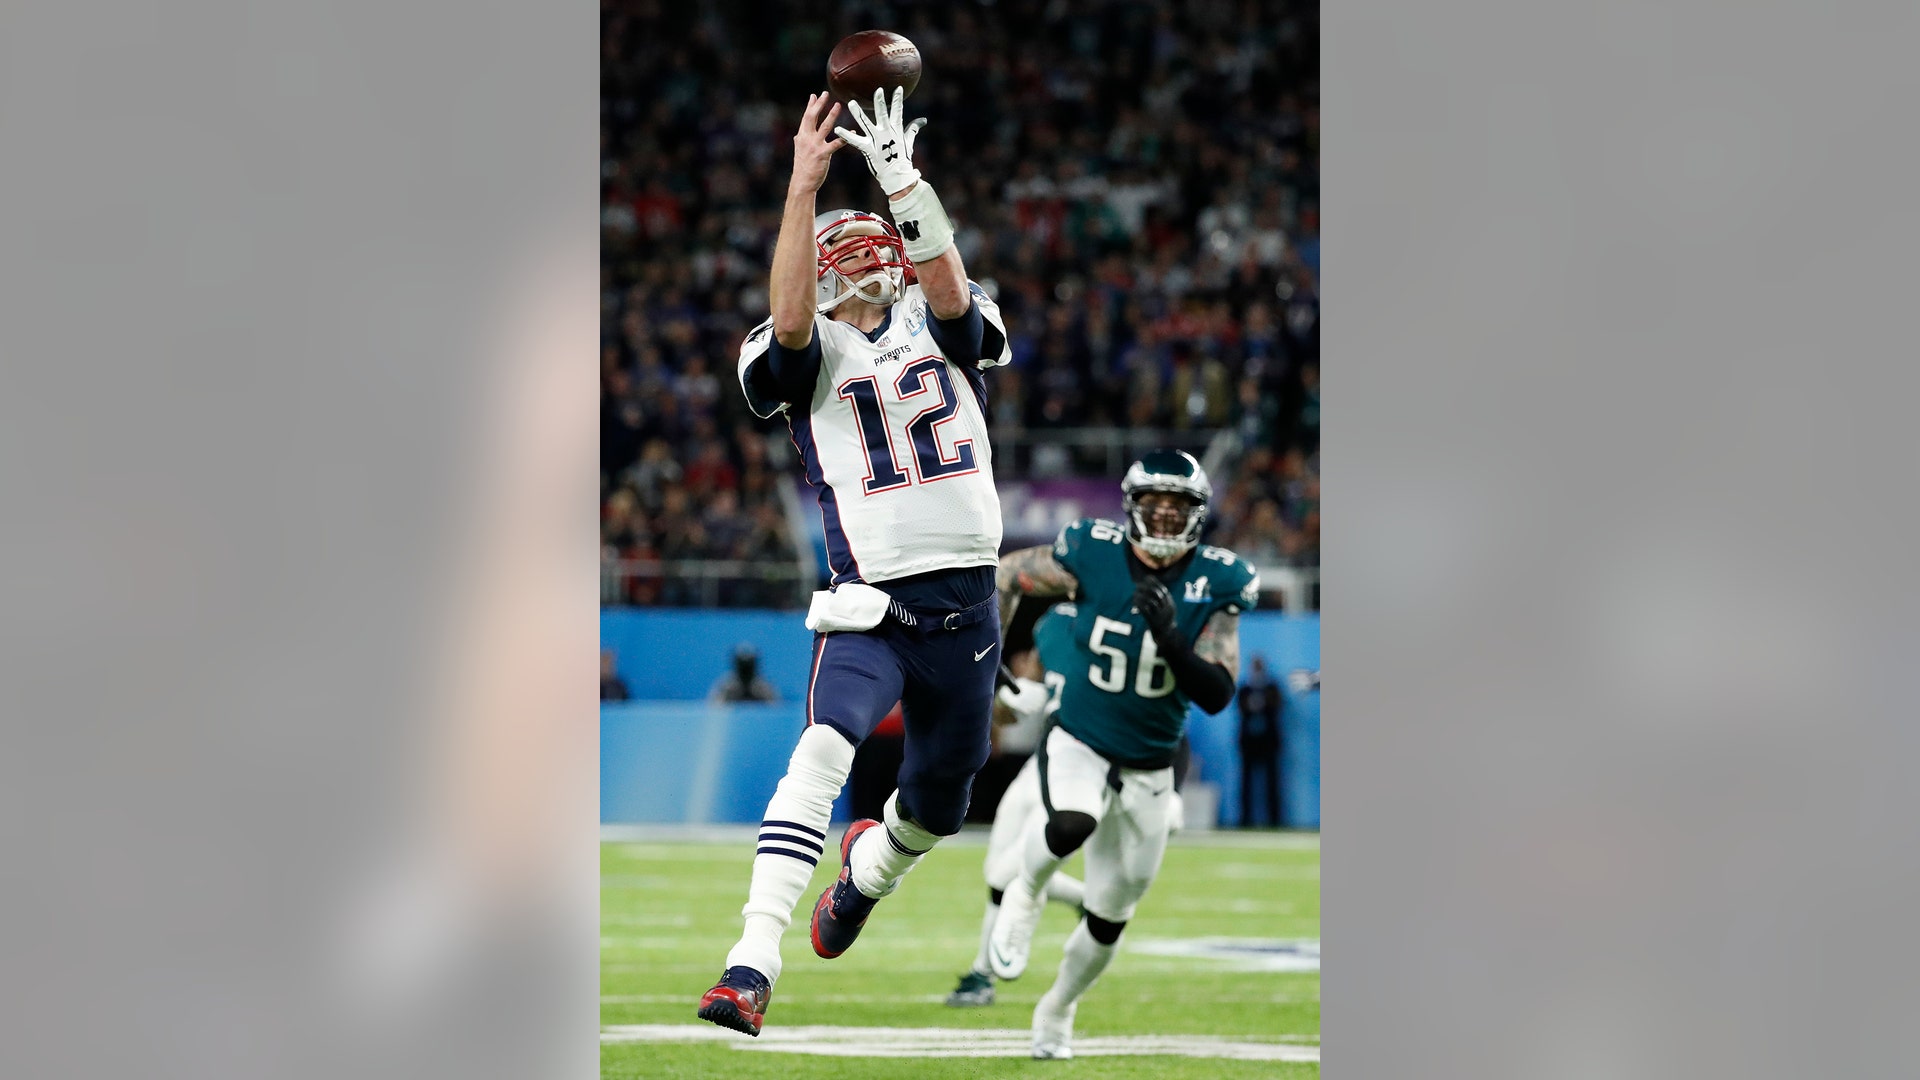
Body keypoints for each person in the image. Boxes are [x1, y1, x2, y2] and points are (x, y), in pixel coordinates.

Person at [697, 87, 1012, 1037]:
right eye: (841, 259)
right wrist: (804, 188)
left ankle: (865, 877)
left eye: (876, 254)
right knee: (822, 751)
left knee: (936, 809)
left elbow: (954, 294)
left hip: (967, 609)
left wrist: (902, 181)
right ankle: (750, 962)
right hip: (872, 603)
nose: (861, 271)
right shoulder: (806, 345)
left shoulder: (944, 314)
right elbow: (788, 324)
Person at [981, 449, 1256, 1059]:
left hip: (1153, 759)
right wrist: (990, 664)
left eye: (1176, 508)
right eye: (1152, 507)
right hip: (1080, 732)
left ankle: (1057, 1010)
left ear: (1196, 513)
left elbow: (1214, 693)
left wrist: (1172, 639)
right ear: (1132, 508)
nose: (1162, 520)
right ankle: (1025, 891)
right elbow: (1004, 574)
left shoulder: (1220, 580)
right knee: (1070, 823)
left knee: (1112, 912)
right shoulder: (1092, 550)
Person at [943, 613, 1192, 1008]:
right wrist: (1010, 696)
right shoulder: (1056, 626)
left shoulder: (1134, 640)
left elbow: (1173, 732)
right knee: (997, 872)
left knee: (1010, 874)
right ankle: (1075, 900)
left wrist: (1172, 791)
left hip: (1088, 773)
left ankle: (983, 973)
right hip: (1044, 762)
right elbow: (1017, 709)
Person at [1237, 656, 1283, 826]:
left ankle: (1275, 821)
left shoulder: (1272, 688)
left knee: (1272, 784)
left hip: (1269, 742)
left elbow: (1277, 707)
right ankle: (1245, 820)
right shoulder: (1244, 689)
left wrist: (1261, 704)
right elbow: (1240, 709)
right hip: (1248, 743)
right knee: (1246, 784)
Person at [708, 643, 779, 703]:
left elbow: (777, 710)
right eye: (742, 666)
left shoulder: (764, 688)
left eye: (749, 666)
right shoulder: (726, 687)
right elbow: (713, 708)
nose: (745, 670)